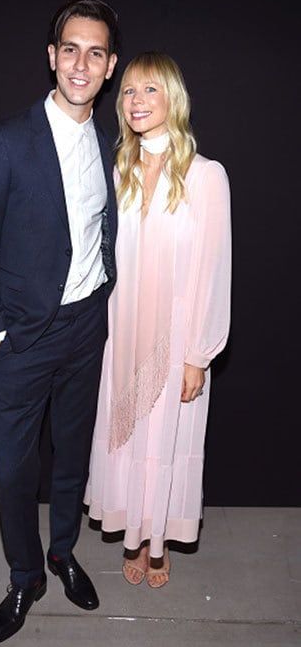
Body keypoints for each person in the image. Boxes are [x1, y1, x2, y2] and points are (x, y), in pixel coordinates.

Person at [0, 0, 118, 643]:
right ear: (53, 58)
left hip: (87, 327)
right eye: (71, 49)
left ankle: (61, 551)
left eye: (96, 53)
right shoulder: (5, 141)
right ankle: (26, 575)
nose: (82, 63)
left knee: (72, 456)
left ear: (109, 68)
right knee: (13, 470)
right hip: (24, 336)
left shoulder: (108, 142)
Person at [85, 51, 231, 588]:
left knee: (167, 439)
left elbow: (215, 269)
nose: (137, 101)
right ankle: (134, 534)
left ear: (174, 99)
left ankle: (158, 540)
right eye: (127, 91)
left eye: (150, 90)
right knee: (130, 437)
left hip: (177, 338)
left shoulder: (206, 175)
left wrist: (200, 353)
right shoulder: (117, 168)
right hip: (121, 334)